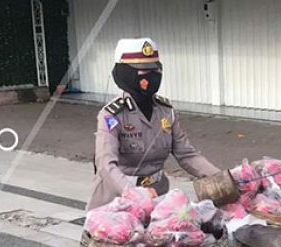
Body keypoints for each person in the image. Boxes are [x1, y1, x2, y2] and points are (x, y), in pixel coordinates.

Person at [86, 38, 220, 211]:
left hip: (158, 195)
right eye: (142, 72)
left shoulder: (166, 111)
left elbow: (187, 155)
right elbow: (105, 164)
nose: (151, 77)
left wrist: (223, 177)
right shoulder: (111, 115)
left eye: (155, 70)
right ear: (124, 74)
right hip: (116, 201)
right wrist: (133, 193)